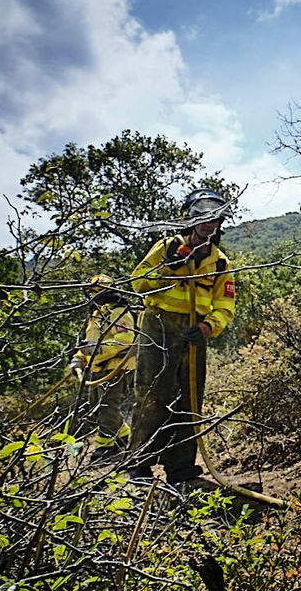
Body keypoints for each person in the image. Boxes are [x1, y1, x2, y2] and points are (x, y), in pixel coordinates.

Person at [125, 187, 236, 485]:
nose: (209, 225)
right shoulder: (166, 247)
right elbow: (138, 282)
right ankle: (139, 464)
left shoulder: (220, 262)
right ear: (191, 218)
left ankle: (180, 467)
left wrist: (207, 328)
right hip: (158, 327)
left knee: (189, 400)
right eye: (204, 218)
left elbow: (226, 305)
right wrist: (167, 268)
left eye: (215, 220)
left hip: (193, 333)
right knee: (152, 394)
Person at [69, 274, 137, 457]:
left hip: (117, 367)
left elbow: (124, 340)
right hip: (98, 368)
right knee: (95, 406)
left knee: (107, 406)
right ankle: (122, 435)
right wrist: (78, 358)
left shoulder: (118, 312)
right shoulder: (96, 315)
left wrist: (98, 350)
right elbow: (88, 343)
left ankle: (105, 447)